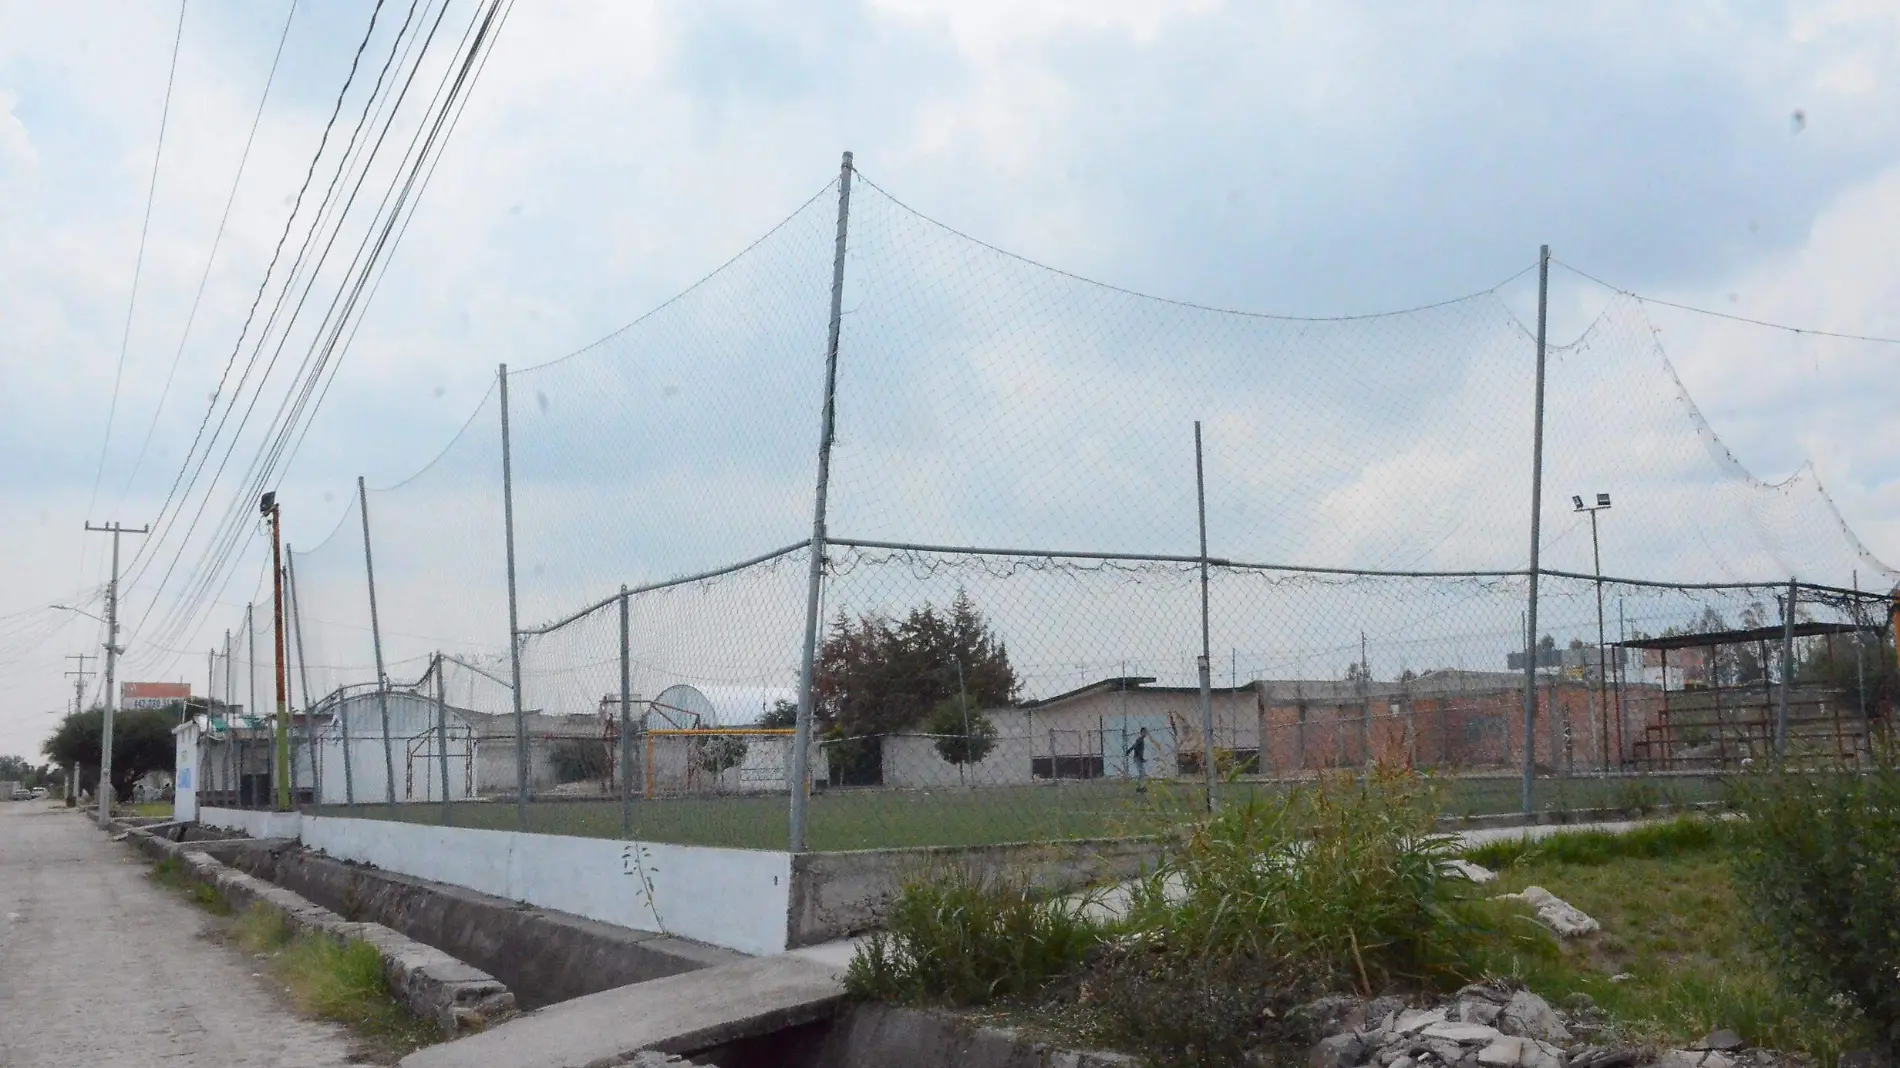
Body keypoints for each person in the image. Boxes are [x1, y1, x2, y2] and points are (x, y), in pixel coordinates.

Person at [1124, 727, 1149, 793]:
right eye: (1144, 732)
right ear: (1141, 733)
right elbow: (1134, 746)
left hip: (1139, 758)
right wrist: (1128, 751)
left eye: (1146, 732)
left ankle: (1140, 787)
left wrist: (1142, 758)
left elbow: (1139, 750)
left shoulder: (1142, 740)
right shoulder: (1140, 740)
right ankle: (1140, 787)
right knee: (1142, 772)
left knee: (1142, 773)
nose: (1145, 733)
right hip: (1137, 758)